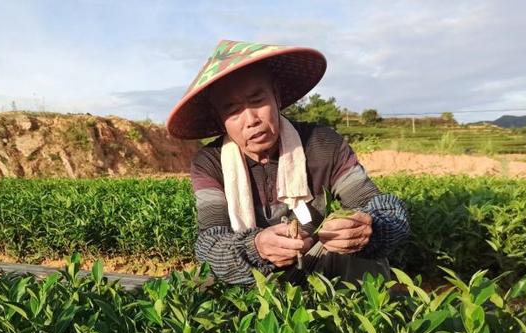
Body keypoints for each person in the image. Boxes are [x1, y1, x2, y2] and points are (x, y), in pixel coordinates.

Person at [166, 40, 410, 285]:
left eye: (257, 100)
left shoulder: (323, 145)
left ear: (276, 96)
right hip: (255, 278)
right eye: (233, 110)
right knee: (201, 281)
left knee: (363, 255)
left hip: (319, 264)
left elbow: (382, 209)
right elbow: (210, 242)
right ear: (221, 119)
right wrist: (256, 247)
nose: (250, 120)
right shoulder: (210, 163)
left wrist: (368, 229)